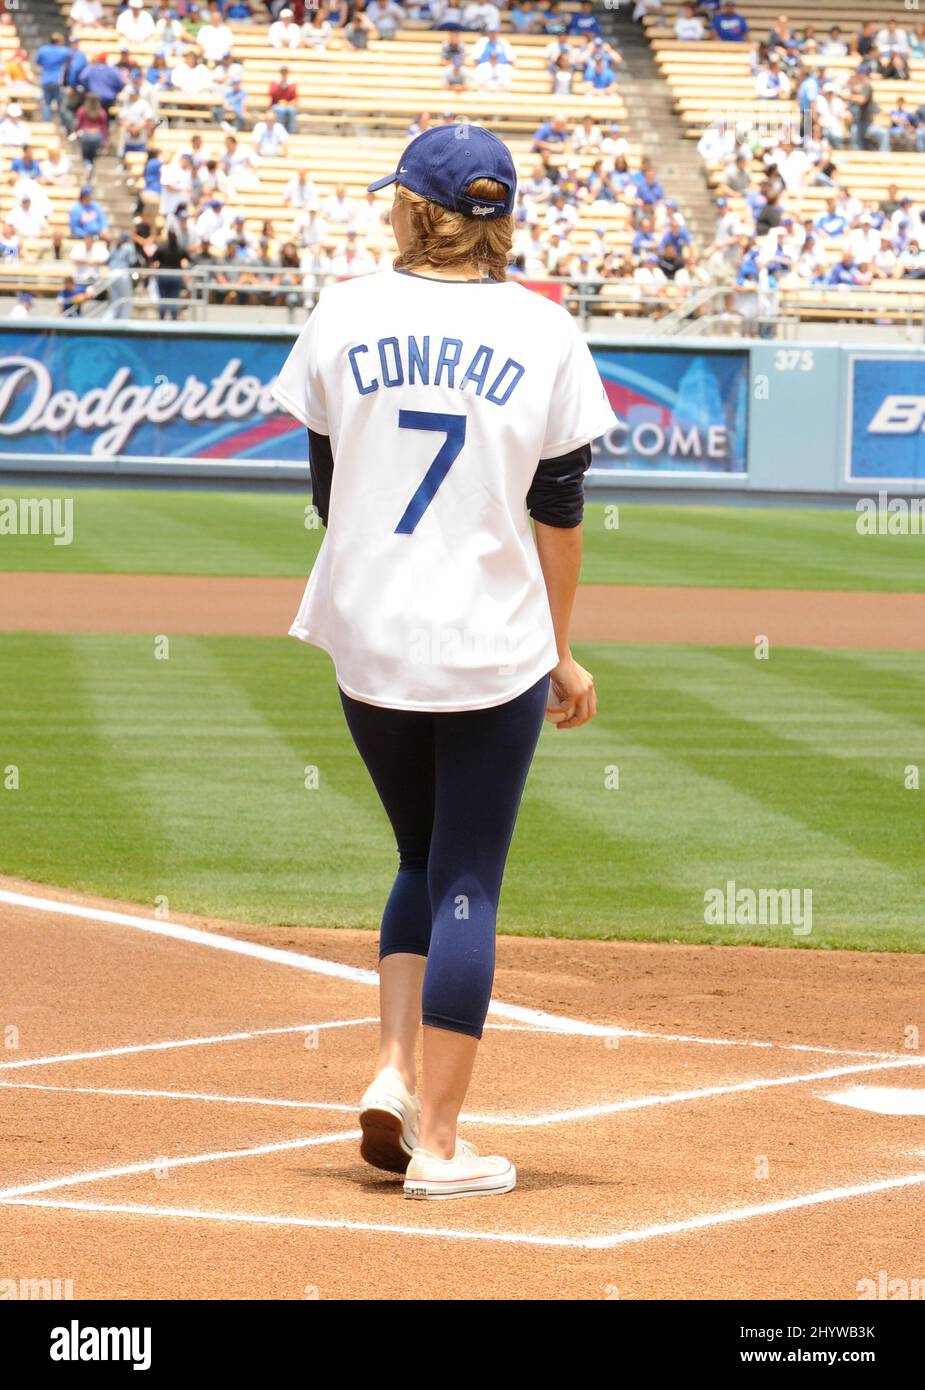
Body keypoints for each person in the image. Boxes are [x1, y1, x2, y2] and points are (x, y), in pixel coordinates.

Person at [271, 124, 612, 1200]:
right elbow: (560, 510)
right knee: (467, 876)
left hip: (366, 629)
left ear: (413, 209)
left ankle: (393, 1071)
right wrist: (561, 652)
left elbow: (327, 490)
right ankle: (445, 1143)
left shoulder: (343, 309)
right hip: (488, 640)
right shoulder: (543, 327)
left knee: (417, 855)